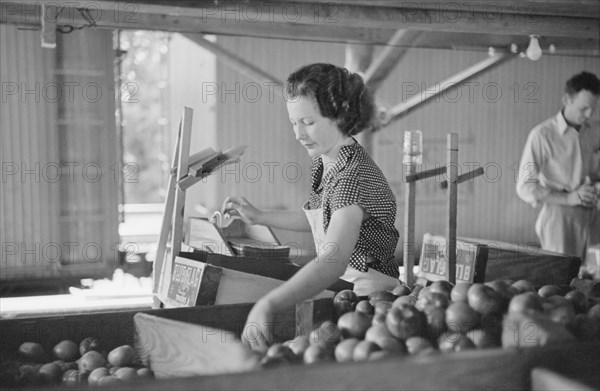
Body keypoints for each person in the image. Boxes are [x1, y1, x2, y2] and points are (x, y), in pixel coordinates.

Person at [222, 63, 400, 350]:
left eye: (308, 122)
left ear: (340, 117)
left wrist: (267, 304)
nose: (298, 134)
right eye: (294, 123)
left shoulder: (352, 176)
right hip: (342, 293)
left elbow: (332, 261)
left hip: (371, 305)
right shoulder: (326, 161)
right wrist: (259, 216)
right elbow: (319, 219)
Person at [516, 71, 600, 260]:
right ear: (567, 100)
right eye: (583, 108)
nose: (589, 114)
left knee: (594, 281)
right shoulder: (542, 136)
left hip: (594, 216)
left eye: (593, 108)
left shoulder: (597, 132)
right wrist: (569, 198)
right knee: (561, 281)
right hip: (559, 218)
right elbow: (525, 187)